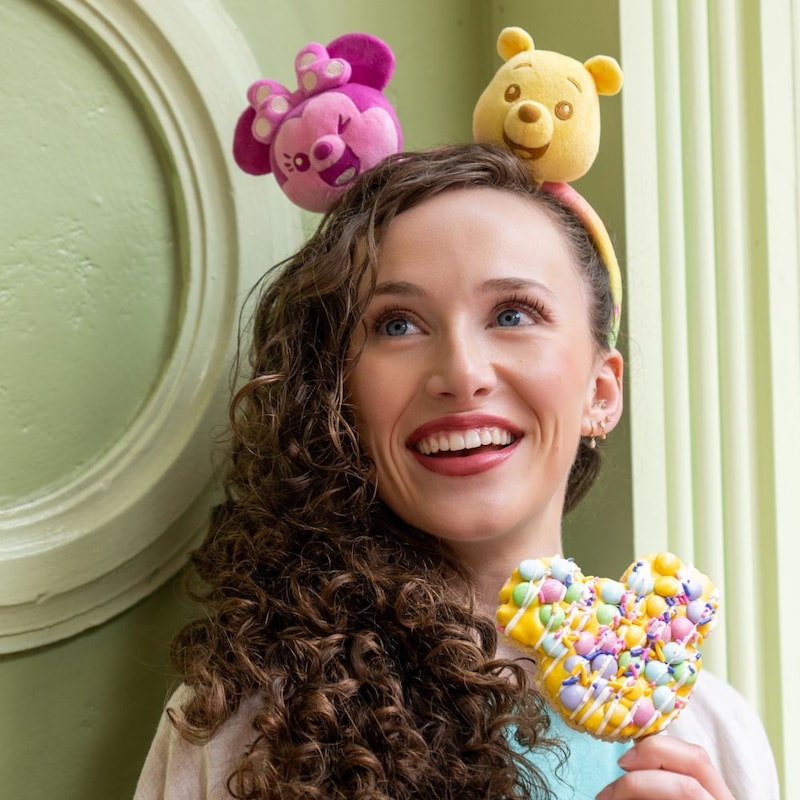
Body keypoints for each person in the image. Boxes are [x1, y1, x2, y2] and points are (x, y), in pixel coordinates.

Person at [135, 143, 779, 799]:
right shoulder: (246, 720)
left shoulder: (715, 731)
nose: (462, 374)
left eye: (512, 314)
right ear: (341, 398)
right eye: (397, 324)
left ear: (601, 392)